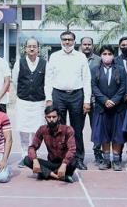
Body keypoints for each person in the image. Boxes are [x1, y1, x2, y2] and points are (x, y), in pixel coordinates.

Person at [45, 31, 91, 170]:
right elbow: (48, 79)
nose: (67, 42)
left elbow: (86, 79)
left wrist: (87, 100)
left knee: (77, 129)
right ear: (61, 41)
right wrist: (48, 98)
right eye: (64, 39)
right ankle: (61, 158)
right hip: (58, 95)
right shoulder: (54, 56)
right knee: (59, 129)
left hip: (77, 95)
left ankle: (78, 159)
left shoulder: (81, 56)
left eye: (70, 40)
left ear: (74, 41)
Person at [11, 37, 47, 167]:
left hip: (39, 102)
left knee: (37, 131)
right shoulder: (19, 63)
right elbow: (15, 81)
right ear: (25, 49)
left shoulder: (44, 63)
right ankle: (24, 156)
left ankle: (34, 156)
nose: (32, 48)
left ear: (38, 49)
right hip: (23, 101)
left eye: (34, 46)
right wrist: (22, 93)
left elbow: (46, 82)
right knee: (23, 130)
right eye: (29, 46)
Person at [91, 46, 127, 171]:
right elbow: (94, 87)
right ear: (100, 55)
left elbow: (123, 87)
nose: (107, 56)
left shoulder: (121, 69)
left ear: (113, 55)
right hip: (102, 107)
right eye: (104, 53)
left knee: (117, 135)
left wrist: (114, 101)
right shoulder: (95, 69)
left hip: (117, 108)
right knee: (104, 135)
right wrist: (105, 100)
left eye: (109, 53)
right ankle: (106, 160)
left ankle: (116, 160)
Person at [23, 106, 77, 182]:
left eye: (54, 117)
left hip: (64, 164)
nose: (51, 119)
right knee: (27, 159)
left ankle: (45, 173)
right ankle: (57, 176)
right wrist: (35, 160)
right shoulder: (42, 129)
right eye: (49, 117)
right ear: (45, 118)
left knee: (74, 161)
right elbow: (32, 147)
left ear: (58, 117)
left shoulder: (68, 130)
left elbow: (72, 149)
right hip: (51, 163)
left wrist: (64, 164)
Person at [79, 36, 102, 165]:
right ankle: (79, 156)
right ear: (81, 45)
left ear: (92, 45)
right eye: (84, 44)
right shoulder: (76, 59)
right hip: (78, 100)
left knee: (97, 128)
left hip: (95, 100)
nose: (87, 46)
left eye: (89, 44)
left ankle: (98, 153)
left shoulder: (99, 60)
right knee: (78, 129)